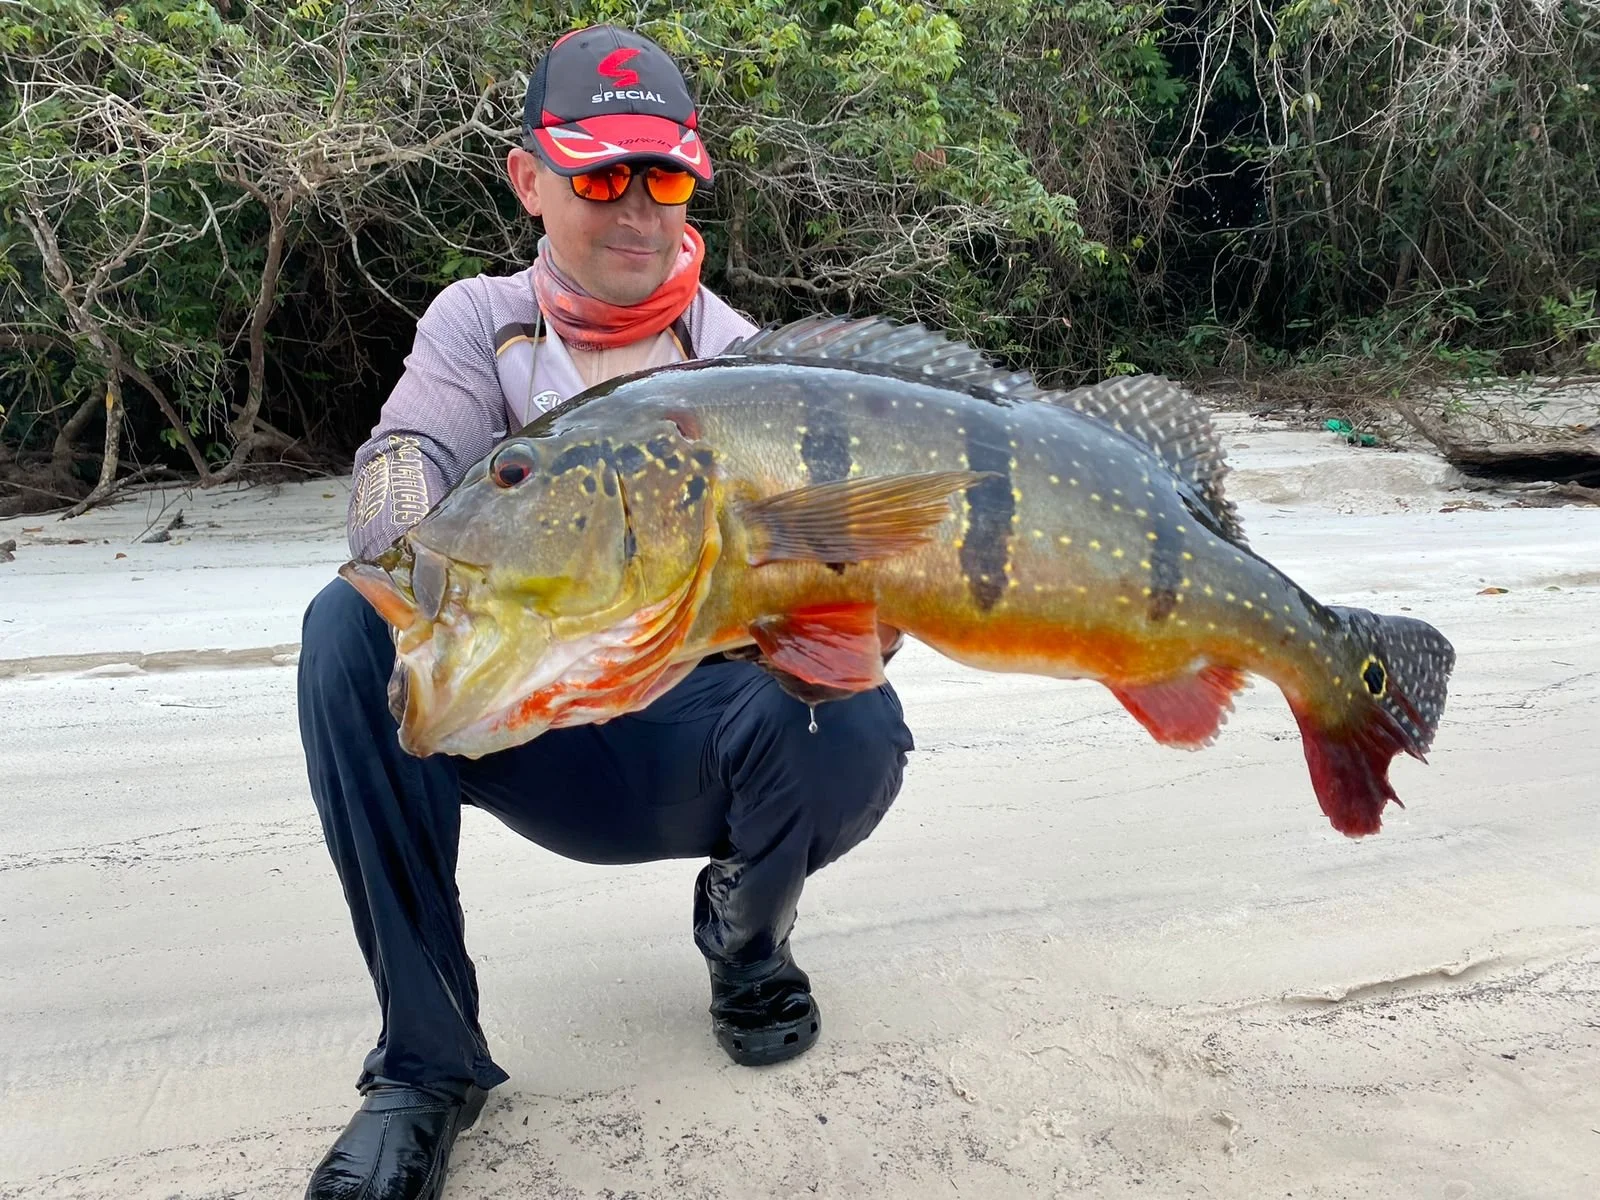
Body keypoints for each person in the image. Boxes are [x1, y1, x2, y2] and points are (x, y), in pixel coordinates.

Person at [295, 26, 914, 1200]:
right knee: (345, 631)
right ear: (529, 178)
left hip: (684, 738)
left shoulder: (746, 363)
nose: (635, 209)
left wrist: (862, 616)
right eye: (599, 176)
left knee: (854, 714)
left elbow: (856, 580)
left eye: (664, 176)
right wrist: (408, 551)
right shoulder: (479, 321)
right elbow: (404, 452)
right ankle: (425, 1069)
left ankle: (746, 936)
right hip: (529, 729)